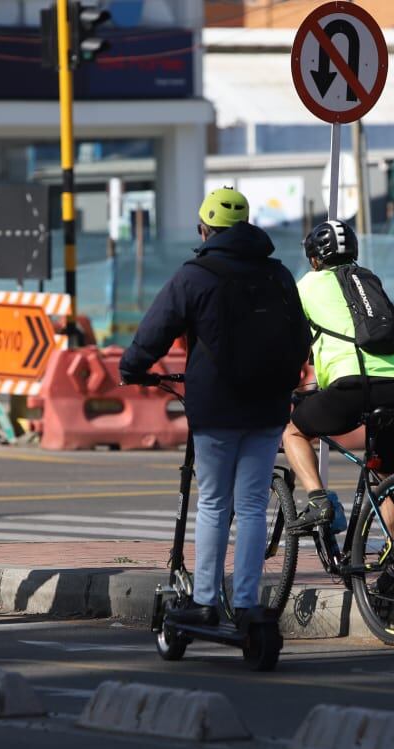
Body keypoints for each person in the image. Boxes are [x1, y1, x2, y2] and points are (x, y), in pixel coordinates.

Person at [119, 188, 310, 627]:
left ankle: (205, 599)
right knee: (251, 506)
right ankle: (246, 604)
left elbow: (155, 331)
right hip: (268, 408)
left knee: (214, 504)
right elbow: (301, 338)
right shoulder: (278, 274)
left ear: (205, 229)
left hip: (217, 408)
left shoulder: (196, 275)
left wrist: (132, 368)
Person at [282, 219, 394, 543]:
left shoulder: (306, 286)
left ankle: (317, 501)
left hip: (350, 385)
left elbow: (293, 345)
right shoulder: (368, 279)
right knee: (386, 477)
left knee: (294, 432)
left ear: (314, 259)